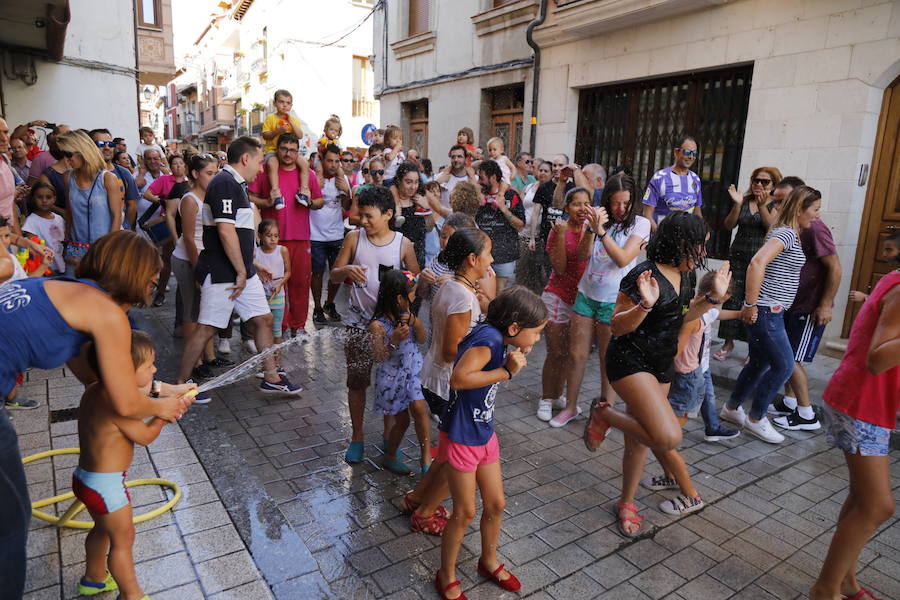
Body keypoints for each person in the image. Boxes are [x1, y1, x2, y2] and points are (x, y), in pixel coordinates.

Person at [0, 231, 195, 598]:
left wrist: (159, 389)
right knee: (9, 523)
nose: (150, 290)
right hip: (102, 480)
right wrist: (164, 409)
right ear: (134, 275)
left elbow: (98, 379)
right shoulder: (106, 311)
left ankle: (93, 577)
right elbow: (124, 404)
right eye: (151, 281)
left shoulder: (64, 289)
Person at [582, 213, 731, 535]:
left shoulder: (685, 275)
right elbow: (617, 326)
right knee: (668, 436)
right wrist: (644, 306)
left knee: (639, 441)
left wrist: (712, 300)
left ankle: (626, 502)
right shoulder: (643, 274)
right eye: (699, 247)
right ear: (681, 244)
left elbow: (680, 318)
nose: (703, 254)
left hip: (661, 365)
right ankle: (604, 415)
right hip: (630, 361)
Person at [435, 286, 547, 600]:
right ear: (514, 328)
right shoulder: (490, 340)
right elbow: (459, 378)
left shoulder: (497, 336)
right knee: (465, 512)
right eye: (536, 333)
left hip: (484, 432)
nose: (537, 340)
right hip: (462, 437)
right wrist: (506, 372)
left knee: (496, 504)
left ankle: (488, 561)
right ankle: (446, 574)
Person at [175, 136, 301, 395]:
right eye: (258, 160)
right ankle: (180, 385)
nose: (261, 167)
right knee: (207, 327)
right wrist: (242, 271)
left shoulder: (236, 184)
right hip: (225, 273)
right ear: (246, 158)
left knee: (264, 319)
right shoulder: (224, 183)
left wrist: (250, 265)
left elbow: (240, 234)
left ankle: (271, 377)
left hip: (241, 271)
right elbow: (225, 231)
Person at [808, 253, 899, 600]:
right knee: (878, 506)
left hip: (867, 401)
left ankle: (843, 582)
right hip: (861, 404)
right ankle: (825, 589)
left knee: (863, 498)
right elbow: (877, 359)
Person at [74, 332, 178, 600]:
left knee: (102, 529)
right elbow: (144, 437)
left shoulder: (96, 389)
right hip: (106, 487)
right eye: (148, 366)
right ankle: (132, 595)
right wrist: (165, 416)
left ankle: (94, 579)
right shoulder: (118, 405)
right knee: (123, 540)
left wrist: (166, 396)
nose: (154, 369)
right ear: (122, 371)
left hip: (86, 479)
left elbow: (143, 395)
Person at [405, 228, 494, 536]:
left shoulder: (454, 286)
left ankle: (416, 498)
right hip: (446, 386)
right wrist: (488, 356)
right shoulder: (461, 295)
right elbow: (450, 350)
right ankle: (426, 512)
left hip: (435, 378)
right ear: (472, 259)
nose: (491, 261)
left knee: (445, 453)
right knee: (457, 457)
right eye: (487, 255)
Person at [720, 186, 823, 443]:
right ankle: (756, 417)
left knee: (759, 363)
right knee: (784, 364)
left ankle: (732, 408)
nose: (818, 216)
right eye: (815, 210)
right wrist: (751, 304)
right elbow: (757, 262)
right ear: (800, 209)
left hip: (769, 310)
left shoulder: (787, 232)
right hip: (767, 311)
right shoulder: (787, 233)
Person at [548, 174, 650, 425]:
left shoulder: (640, 224)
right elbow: (583, 255)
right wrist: (592, 230)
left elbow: (623, 259)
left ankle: (606, 412)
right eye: (615, 203)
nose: (621, 209)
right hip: (586, 294)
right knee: (576, 354)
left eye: (626, 203)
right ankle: (571, 407)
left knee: (607, 358)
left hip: (614, 300)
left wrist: (601, 231)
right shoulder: (598, 220)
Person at [330, 185, 419, 464]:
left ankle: (389, 439)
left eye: (369, 216)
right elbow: (333, 276)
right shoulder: (354, 239)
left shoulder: (403, 244)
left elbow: (414, 282)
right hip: (357, 324)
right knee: (357, 382)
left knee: (391, 383)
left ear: (388, 215)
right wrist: (344, 271)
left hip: (390, 328)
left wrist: (404, 308)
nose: (363, 221)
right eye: (361, 216)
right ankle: (357, 437)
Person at [640, 271, 742, 492]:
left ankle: (689, 494)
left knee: (663, 440)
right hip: (683, 379)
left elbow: (674, 354)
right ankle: (670, 477)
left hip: (688, 383)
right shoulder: (699, 310)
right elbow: (717, 313)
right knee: (660, 438)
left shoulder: (695, 316)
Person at [771, 205, 842, 432]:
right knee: (792, 356)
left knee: (790, 358)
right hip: (794, 304)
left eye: (783, 200)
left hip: (809, 307)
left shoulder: (815, 228)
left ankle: (806, 414)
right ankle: (791, 402)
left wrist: (824, 305)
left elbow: (836, 268)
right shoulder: (792, 228)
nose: (777, 205)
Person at [249, 133, 324, 335]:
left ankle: (298, 326)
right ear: (277, 149)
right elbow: (250, 194)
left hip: (301, 238)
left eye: (292, 149)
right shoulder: (265, 172)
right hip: (272, 240)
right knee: (273, 283)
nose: (288, 153)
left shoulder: (307, 175)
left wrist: (309, 201)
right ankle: (278, 327)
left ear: (298, 151)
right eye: (284, 148)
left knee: (300, 283)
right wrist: (266, 203)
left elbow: (319, 201)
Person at [715, 167, 783, 361]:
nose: (759, 185)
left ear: (774, 185)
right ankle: (728, 343)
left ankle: (753, 348)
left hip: (760, 262)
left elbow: (772, 228)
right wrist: (737, 204)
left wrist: (762, 206)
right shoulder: (744, 201)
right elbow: (728, 225)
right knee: (731, 298)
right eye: (756, 181)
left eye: (765, 182)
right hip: (737, 257)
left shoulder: (775, 205)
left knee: (753, 301)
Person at [537, 187, 591, 427]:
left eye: (586, 203)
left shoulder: (594, 230)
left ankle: (562, 398)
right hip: (558, 296)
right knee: (556, 352)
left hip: (583, 300)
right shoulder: (559, 230)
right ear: (567, 207)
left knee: (573, 354)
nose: (581, 209)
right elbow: (558, 268)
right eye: (576, 204)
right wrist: (559, 235)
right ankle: (546, 398)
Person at [369, 269, 430, 475]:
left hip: (412, 371)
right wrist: (393, 340)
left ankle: (426, 458)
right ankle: (391, 455)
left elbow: (421, 339)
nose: (415, 296)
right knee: (402, 420)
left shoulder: (409, 316)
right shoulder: (377, 325)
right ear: (399, 298)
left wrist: (418, 323)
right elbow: (378, 357)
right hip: (392, 377)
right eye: (412, 293)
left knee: (420, 409)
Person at [170, 154, 221, 383]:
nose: (214, 177)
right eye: (209, 173)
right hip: (188, 260)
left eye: (216, 172)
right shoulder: (190, 199)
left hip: (205, 259)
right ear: (195, 174)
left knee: (205, 310)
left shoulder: (210, 196)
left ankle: (209, 356)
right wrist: (198, 268)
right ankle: (195, 363)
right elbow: (189, 239)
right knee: (191, 313)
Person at [57, 130, 124, 272]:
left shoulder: (107, 179)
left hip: (103, 250)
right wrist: (67, 242)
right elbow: (69, 213)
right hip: (77, 249)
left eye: (69, 154)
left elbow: (117, 217)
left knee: (100, 292)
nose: (66, 160)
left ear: (82, 151)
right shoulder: (68, 177)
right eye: (63, 155)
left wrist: (108, 249)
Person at [310, 144, 351, 324]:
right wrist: (315, 187)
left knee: (337, 273)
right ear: (322, 160)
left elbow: (348, 208)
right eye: (330, 161)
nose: (333, 165)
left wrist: (347, 192)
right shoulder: (313, 178)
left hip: (336, 234)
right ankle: (317, 308)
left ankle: (329, 303)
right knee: (317, 273)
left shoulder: (342, 179)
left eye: (336, 161)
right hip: (315, 235)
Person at [142, 153, 187, 306]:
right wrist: (163, 203)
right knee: (166, 261)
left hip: (188, 225)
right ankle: (160, 292)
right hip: (170, 224)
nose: (178, 166)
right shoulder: (165, 180)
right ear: (169, 166)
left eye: (181, 163)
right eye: (175, 164)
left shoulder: (191, 182)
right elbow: (147, 194)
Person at [475, 160, 525, 290]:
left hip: (505, 256)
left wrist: (503, 209)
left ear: (493, 178)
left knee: (502, 295)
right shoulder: (479, 196)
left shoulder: (510, 195)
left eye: (481, 178)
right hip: (482, 256)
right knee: (484, 294)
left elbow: (520, 225)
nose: (479, 181)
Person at [642, 135, 703, 232]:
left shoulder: (696, 179)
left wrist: (701, 233)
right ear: (676, 152)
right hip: (662, 239)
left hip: (685, 240)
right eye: (687, 152)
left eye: (694, 153)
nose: (691, 157)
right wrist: (659, 237)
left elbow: (697, 213)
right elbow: (647, 214)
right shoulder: (660, 178)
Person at [262, 90, 312, 202]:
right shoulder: (270, 118)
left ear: (291, 105)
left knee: (304, 163)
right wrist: (278, 131)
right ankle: (276, 193)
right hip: (273, 151)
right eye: (281, 102)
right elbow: (265, 135)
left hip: (290, 152)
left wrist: (291, 122)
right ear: (275, 103)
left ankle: (303, 192)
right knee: (272, 164)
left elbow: (299, 135)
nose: (285, 105)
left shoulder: (293, 120)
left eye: (288, 103)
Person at [90, 129, 141, 233]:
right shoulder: (84, 175)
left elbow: (132, 205)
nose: (107, 147)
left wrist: (125, 228)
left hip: (118, 233)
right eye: (101, 144)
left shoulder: (124, 173)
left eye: (110, 144)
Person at [255, 220, 291, 363]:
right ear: (260, 236)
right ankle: (264, 362)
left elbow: (288, 272)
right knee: (262, 329)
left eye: (276, 236)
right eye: (269, 235)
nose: (273, 239)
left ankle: (277, 363)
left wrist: (280, 284)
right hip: (261, 297)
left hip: (277, 296)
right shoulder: (255, 253)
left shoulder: (282, 250)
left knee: (276, 330)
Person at [392, 161, 438, 269]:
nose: (413, 187)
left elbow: (429, 228)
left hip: (417, 257)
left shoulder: (419, 200)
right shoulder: (392, 202)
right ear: (399, 181)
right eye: (408, 182)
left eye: (416, 182)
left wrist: (427, 209)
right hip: (395, 258)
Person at [22, 182, 65, 274]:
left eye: (48, 197)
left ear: (54, 199)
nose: (44, 200)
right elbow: (33, 246)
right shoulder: (31, 222)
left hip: (61, 265)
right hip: (44, 268)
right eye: (40, 197)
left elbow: (62, 241)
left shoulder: (59, 219)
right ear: (33, 198)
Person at [849, 233, 900, 304]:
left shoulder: (895, 278)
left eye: (889, 250)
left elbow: (890, 303)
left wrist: (865, 297)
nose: (884, 254)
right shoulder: (894, 274)